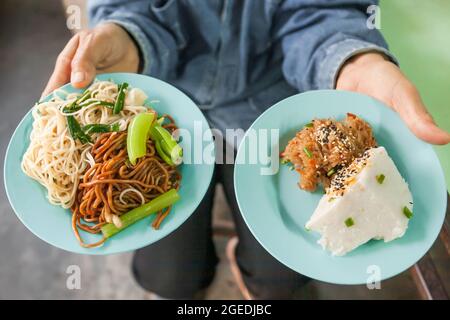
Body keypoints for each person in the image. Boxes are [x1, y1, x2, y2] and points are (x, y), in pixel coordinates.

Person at [43, 0, 450, 299]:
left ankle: (249, 266)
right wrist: (127, 36)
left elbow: (321, 13)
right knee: (169, 279)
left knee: (279, 281)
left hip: (273, 112)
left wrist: (354, 60)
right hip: (160, 107)